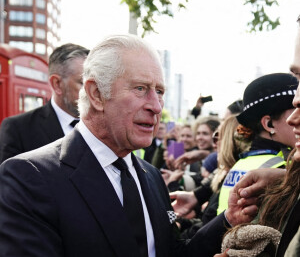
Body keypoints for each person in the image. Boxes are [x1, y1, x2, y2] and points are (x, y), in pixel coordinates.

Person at [0, 34, 257, 257]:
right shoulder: (29, 177)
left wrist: (227, 220)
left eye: (159, 91)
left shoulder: (151, 176)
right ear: (97, 94)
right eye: (140, 88)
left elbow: (171, 252)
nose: (155, 106)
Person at [217, 72, 297, 214]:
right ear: (269, 124)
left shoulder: (239, 163)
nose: (297, 119)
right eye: (294, 111)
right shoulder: (282, 167)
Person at [0, 43, 89, 163]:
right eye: (83, 83)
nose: (93, 92)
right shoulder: (18, 129)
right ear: (56, 84)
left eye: (95, 83)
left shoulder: (106, 125)